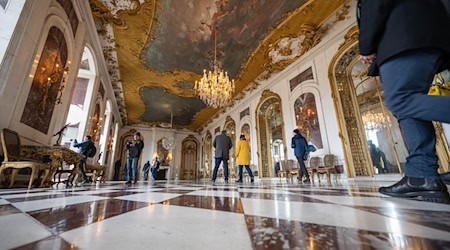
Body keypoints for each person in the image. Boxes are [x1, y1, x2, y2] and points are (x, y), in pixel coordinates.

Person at [358, 0, 450, 203]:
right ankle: (421, 175)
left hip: (405, 36)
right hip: (417, 35)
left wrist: (366, 45)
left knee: (401, 100)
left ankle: (422, 173)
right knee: (408, 110)